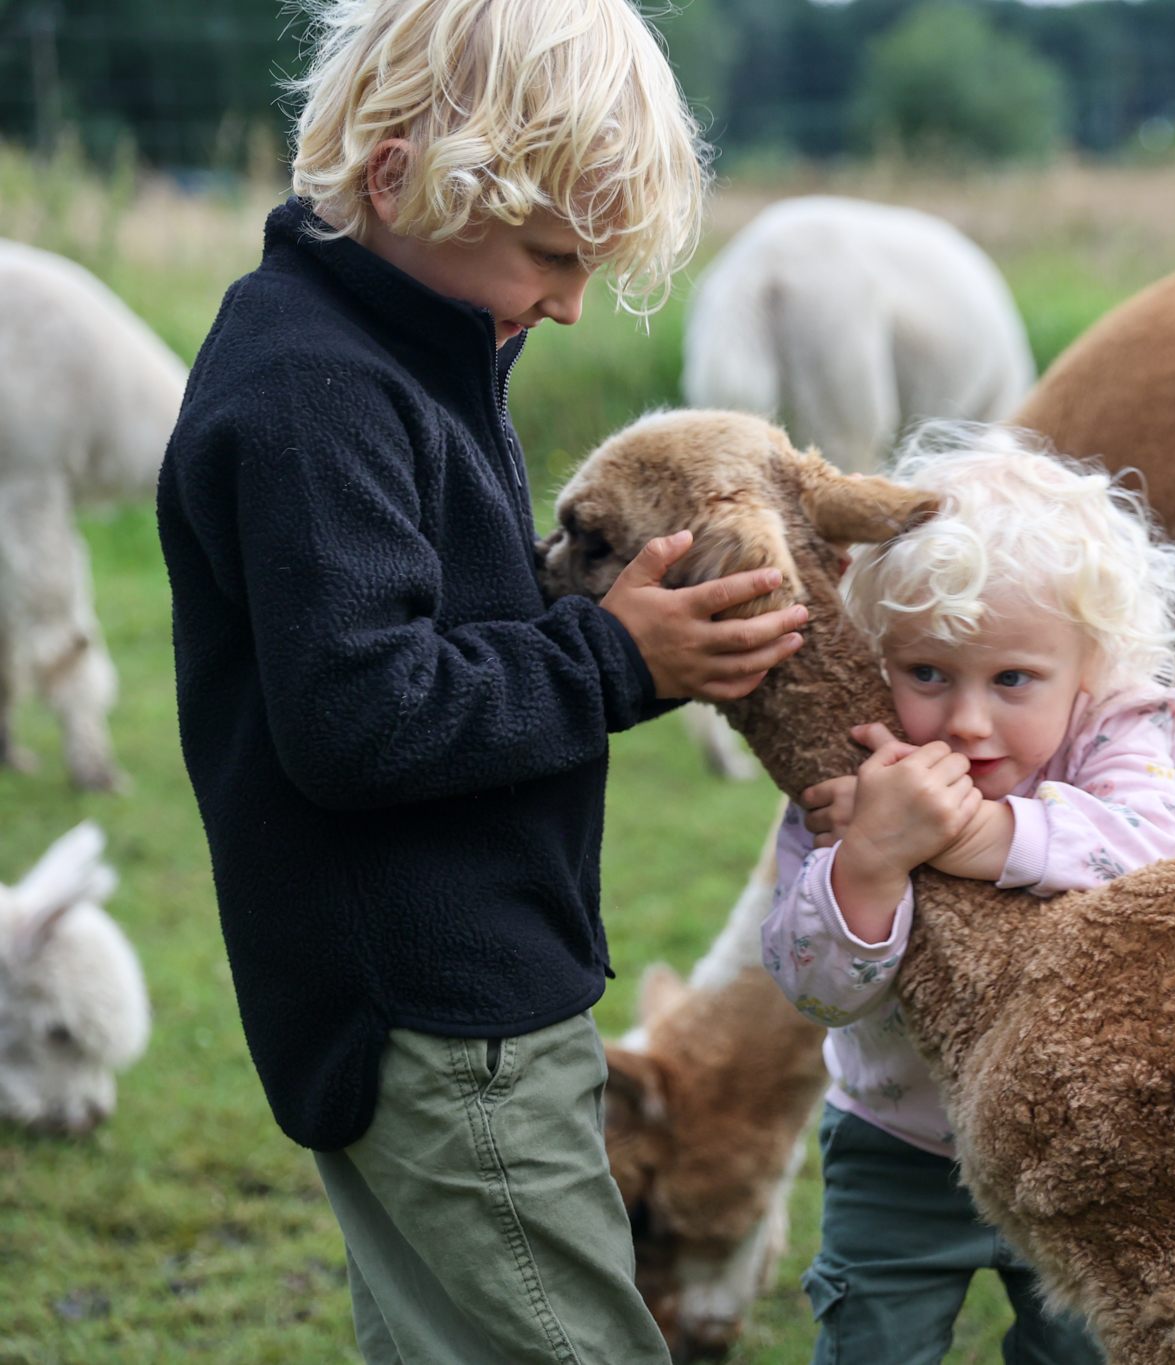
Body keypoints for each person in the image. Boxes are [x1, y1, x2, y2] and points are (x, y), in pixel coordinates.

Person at [155, 0, 807, 1360]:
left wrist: (616, 616)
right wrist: (614, 655)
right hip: (437, 1019)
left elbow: (442, 622)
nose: (569, 302)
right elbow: (360, 712)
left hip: (470, 995)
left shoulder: (411, 347)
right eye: (549, 256)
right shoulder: (313, 392)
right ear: (399, 178)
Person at [761, 423, 1175, 1364]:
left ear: (1088, 669)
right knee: (870, 1341)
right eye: (927, 672)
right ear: (877, 654)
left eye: (1013, 678)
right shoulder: (853, 770)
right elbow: (816, 988)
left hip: (1078, 1137)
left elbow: (1154, 856)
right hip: (895, 1137)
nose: (967, 721)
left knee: (1083, 1347)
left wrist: (971, 835)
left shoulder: (1113, 733)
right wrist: (871, 861)